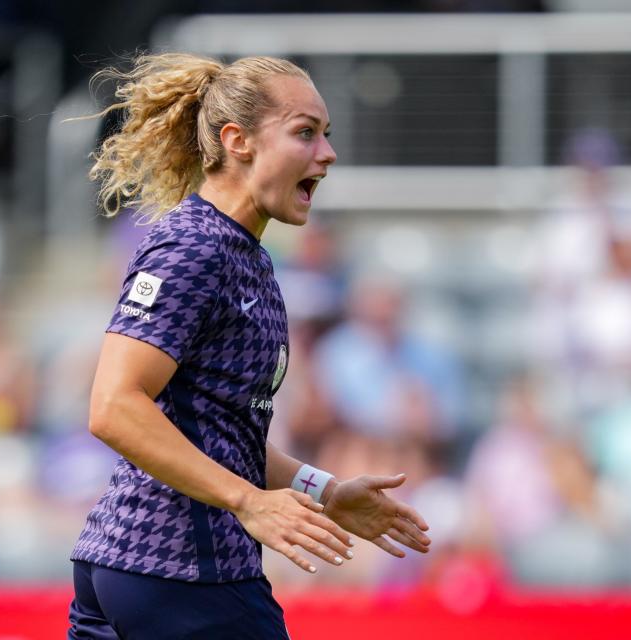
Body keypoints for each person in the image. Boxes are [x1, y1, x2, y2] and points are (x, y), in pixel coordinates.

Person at [67, 53, 431, 639]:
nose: (328, 153)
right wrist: (248, 502)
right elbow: (113, 406)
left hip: (138, 567)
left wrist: (326, 492)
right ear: (237, 141)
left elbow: (217, 432)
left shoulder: (248, 257)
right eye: (305, 133)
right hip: (181, 569)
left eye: (327, 135)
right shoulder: (194, 250)